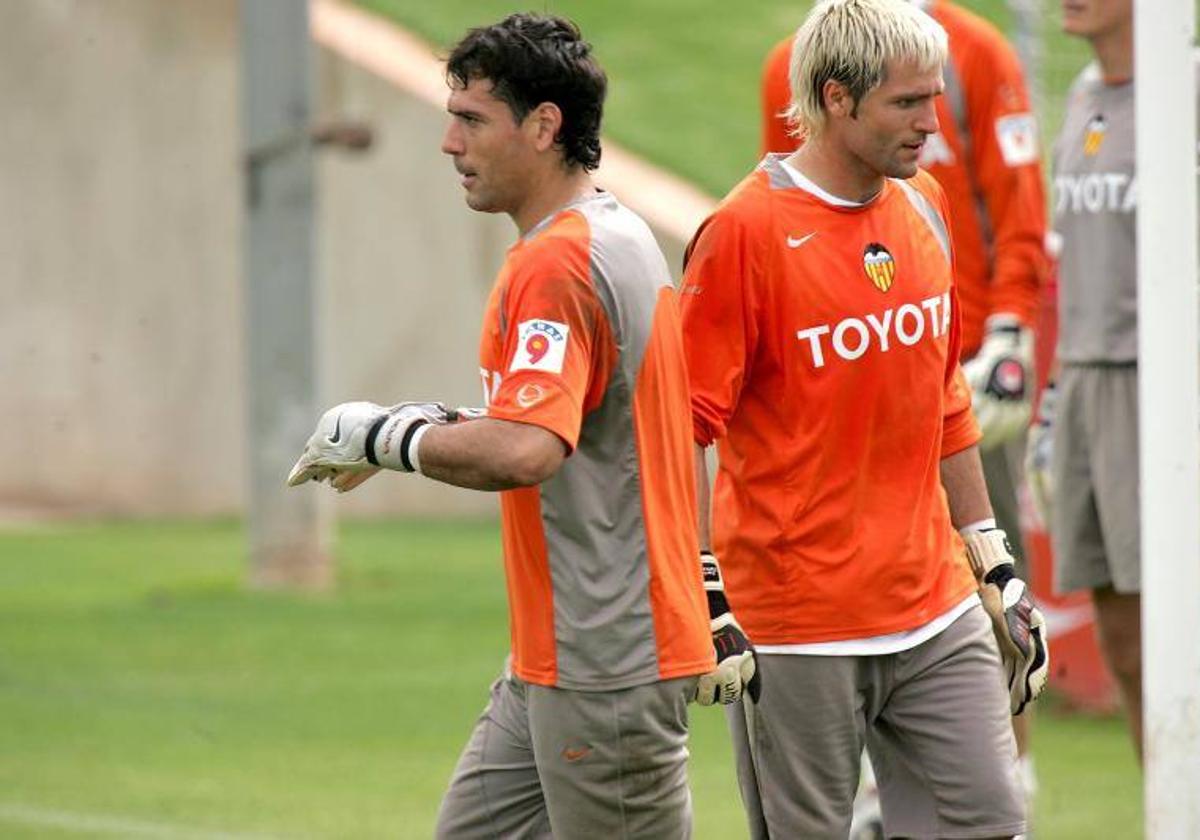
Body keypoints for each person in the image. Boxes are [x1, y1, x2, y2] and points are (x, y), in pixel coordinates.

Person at [285, 14, 722, 837]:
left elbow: (528, 448)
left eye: (472, 119)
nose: (450, 143)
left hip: (606, 662)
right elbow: (610, 423)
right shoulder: (619, 235)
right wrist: (421, 422)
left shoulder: (555, 265)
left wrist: (389, 441)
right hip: (560, 654)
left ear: (545, 125)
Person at [680, 1, 1049, 837]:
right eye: (908, 104)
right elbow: (683, 429)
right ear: (837, 98)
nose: (932, 124)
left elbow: (944, 396)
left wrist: (991, 558)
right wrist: (701, 581)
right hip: (797, 623)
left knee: (991, 819)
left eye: (935, 98)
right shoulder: (743, 233)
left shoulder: (922, 206)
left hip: (935, 603)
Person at [1027, 0, 1143, 761]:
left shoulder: (1184, 91)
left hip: (1156, 381)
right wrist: (1057, 395)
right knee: (1123, 634)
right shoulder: (1080, 98)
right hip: (1085, 377)